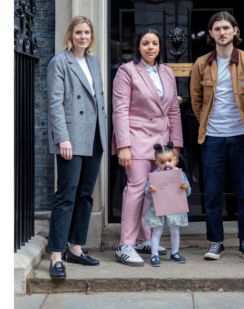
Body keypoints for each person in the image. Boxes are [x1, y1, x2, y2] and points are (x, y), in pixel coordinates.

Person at [190, 12, 244, 261]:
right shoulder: (201, 64)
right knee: (211, 193)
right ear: (211, 34)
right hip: (211, 139)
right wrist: (209, 127)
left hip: (241, 137)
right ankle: (216, 242)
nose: (222, 33)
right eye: (217, 29)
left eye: (226, 28)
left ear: (235, 31)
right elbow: (196, 102)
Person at [112, 28, 184, 267]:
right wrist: (123, 145)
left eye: (154, 43)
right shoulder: (127, 71)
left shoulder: (166, 72)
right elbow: (120, 110)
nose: (150, 47)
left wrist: (177, 145)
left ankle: (144, 238)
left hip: (162, 145)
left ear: (160, 46)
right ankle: (125, 244)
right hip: (136, 138)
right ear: (138, 46)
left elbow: (173, 110)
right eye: (145, 43)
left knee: (154, 192)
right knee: (136, 189)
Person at [46, 16, 108, 280]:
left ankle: (76, 247)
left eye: (87, 32)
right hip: (72, 137)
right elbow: (55, 103)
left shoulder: (94, 63)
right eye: (78, 32)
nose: (83, 36)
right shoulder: (60, 61)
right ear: (70, 35)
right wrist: (63, 138)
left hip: (94, 136)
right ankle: (56, 255)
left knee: (85, 195)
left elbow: (99, 102)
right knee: (66, 195)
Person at [144, 142, 191, 267]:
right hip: (159, 208)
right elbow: (147, 189)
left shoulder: (180, 174)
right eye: (162, 162)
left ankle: (175, 253)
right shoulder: (155, 175)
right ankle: (154, 255)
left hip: (174, 208)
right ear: (157, 163)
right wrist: (149, 190)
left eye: (169, 160)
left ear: (175, 160)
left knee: (175, 231)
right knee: (157, 232)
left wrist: (186, 187)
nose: (167, 164)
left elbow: (188, 192)